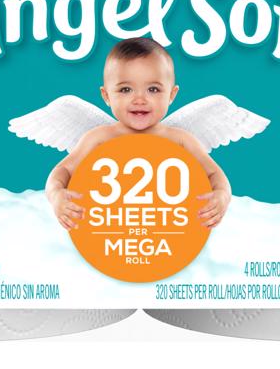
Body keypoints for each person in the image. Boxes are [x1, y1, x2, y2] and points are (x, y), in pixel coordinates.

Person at [46, 37, 231, 231]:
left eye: (153, 89)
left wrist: (222, 195)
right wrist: (56, 195)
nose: (140, 99)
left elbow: (214, 174)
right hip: (112, 233)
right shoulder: (98, 138)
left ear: (171, 95)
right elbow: (63, 170)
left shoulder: (181, 140)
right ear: (106, 96)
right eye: (125, 89)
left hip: (165, 232)